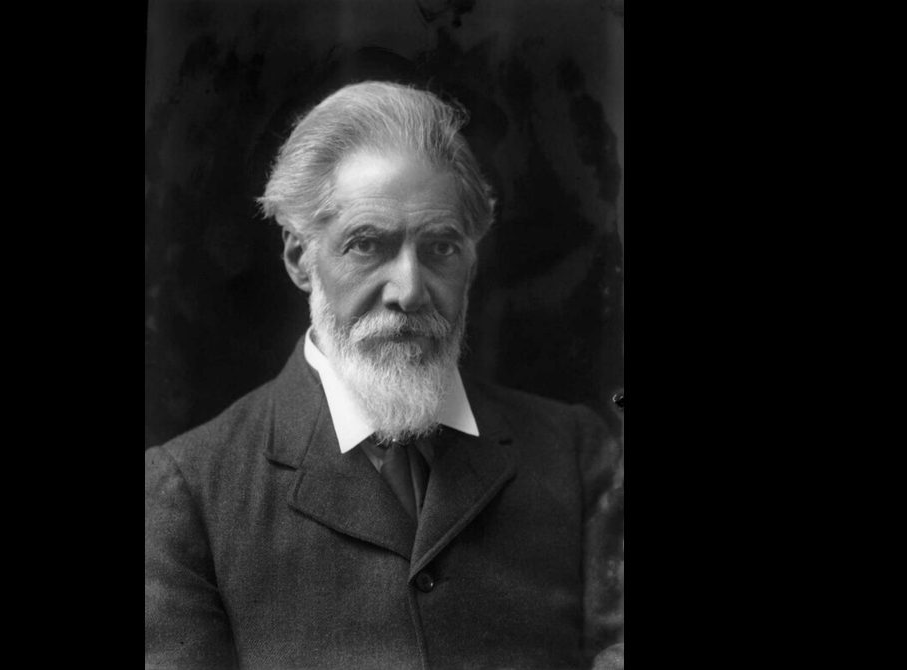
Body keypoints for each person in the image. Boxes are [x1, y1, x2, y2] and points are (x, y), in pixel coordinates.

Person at [145, 81, 624, 670]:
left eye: (441, 248)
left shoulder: (578, 454)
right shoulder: (184, 494)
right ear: (301, 259)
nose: (411, 290)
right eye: (367, 244)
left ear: (471, 264)